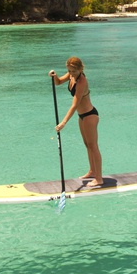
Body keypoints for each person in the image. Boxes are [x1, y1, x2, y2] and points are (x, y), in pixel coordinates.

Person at [49, 57, 103, 186]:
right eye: (69, 71)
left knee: (93, 146)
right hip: (82, 116)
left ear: (80, 69)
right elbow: (58, 82)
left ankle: (99, 179)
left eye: (73, 71)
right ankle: (92, 171)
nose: (71, 73)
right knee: (87, 145)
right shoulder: (72, 75)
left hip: (90, 115)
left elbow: (74, 104)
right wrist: (54, 76)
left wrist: (63, 123)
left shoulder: (82, 82)